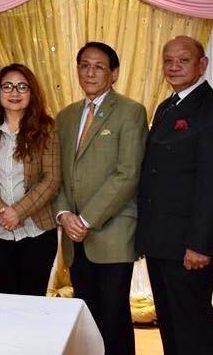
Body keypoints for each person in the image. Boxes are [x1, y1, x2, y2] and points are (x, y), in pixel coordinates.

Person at [136, 35, 213, 355]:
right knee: (170, 325)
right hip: (161, 241)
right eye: (168, 61)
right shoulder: (167, 106)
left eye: (183, 60)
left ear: (202, 64)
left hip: (189, 246)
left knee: (192, 329)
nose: (174, 67)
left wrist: (200, 244)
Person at [53, 43, 147, 355]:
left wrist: (85, 219)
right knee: (87, 321)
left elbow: (128, 174)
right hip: (74, 237)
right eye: (84, 65)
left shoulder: (131, 112)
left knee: (114, 319)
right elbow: (57, 174)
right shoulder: (66, 116)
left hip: (113, 234)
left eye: (98, 67)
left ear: (114, 73)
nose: (90, 73)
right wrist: (64, 214)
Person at [0, 63, 61, 296]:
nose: (14, 93)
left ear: (31, 92)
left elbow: (51, 179)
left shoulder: (47, 128)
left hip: (37, 230)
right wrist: (1, 212)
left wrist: (18, 212)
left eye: (22, 87)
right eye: (7, 86)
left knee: (33, 300)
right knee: (6, 299)